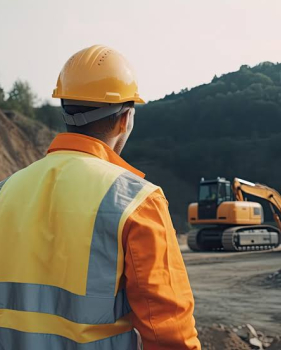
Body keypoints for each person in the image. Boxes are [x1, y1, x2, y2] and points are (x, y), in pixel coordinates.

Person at [0, 45, 201, 350]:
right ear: (125, 119)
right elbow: (168, 333)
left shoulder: (6, 190)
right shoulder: (138, 202)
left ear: (64, 110)